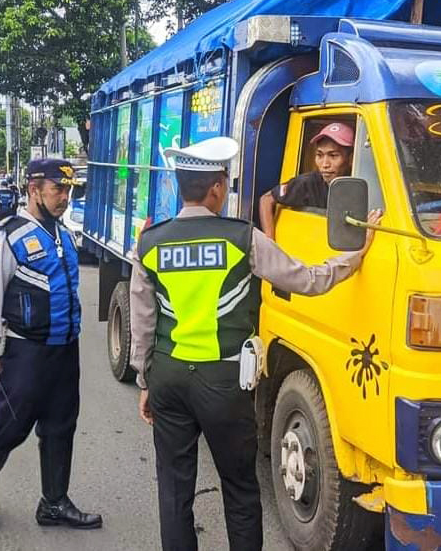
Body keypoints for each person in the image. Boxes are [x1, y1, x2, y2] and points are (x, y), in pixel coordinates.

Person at [130, 137, 381, 551]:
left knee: (175, 490)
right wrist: (353, 257)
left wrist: (144, 381)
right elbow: (305, 280)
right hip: (224, 383)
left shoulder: (150, 242)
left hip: (169, 378)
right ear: (215, 188)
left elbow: (143, 320)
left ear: (182, 187)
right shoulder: (241, 239)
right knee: (240, 489)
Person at [0, 159, 101, 532]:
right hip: (26, 353)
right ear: (33, 189)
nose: (65, 197)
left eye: (68, 190)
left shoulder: (62, 232)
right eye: (58, 189)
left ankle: (54, 503)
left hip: (64, 350)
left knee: (61, 427)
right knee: (7, 427)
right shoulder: (6, 236)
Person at [258, 121, 355, 239]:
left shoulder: (361, 184)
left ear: (350, 159)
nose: (325, 164)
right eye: (319, 155)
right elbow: (266, 199)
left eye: (333, 156)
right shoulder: (307, 183)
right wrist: (270, 242)